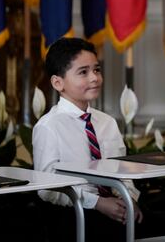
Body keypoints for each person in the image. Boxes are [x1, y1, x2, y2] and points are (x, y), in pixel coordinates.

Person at [33, 37, 143, 241]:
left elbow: (123, 170)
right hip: (76, 213)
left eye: (97, 70)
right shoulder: (48, 127)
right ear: (58, 83)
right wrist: (99, 203)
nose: (94, 78)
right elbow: (46, 189)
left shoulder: (107, 122)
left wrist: (129, 199)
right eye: (83, 72)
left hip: (117, 207)